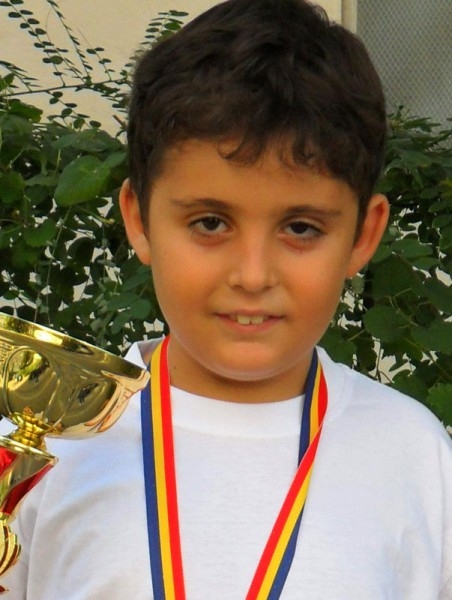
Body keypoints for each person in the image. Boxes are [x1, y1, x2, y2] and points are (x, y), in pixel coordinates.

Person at [1, 0, 451, 597]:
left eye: (301, 228)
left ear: (363, 237)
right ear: (138, 219)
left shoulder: (415, 456)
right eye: (210, 223)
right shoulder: (41, 448)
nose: (252, 275)